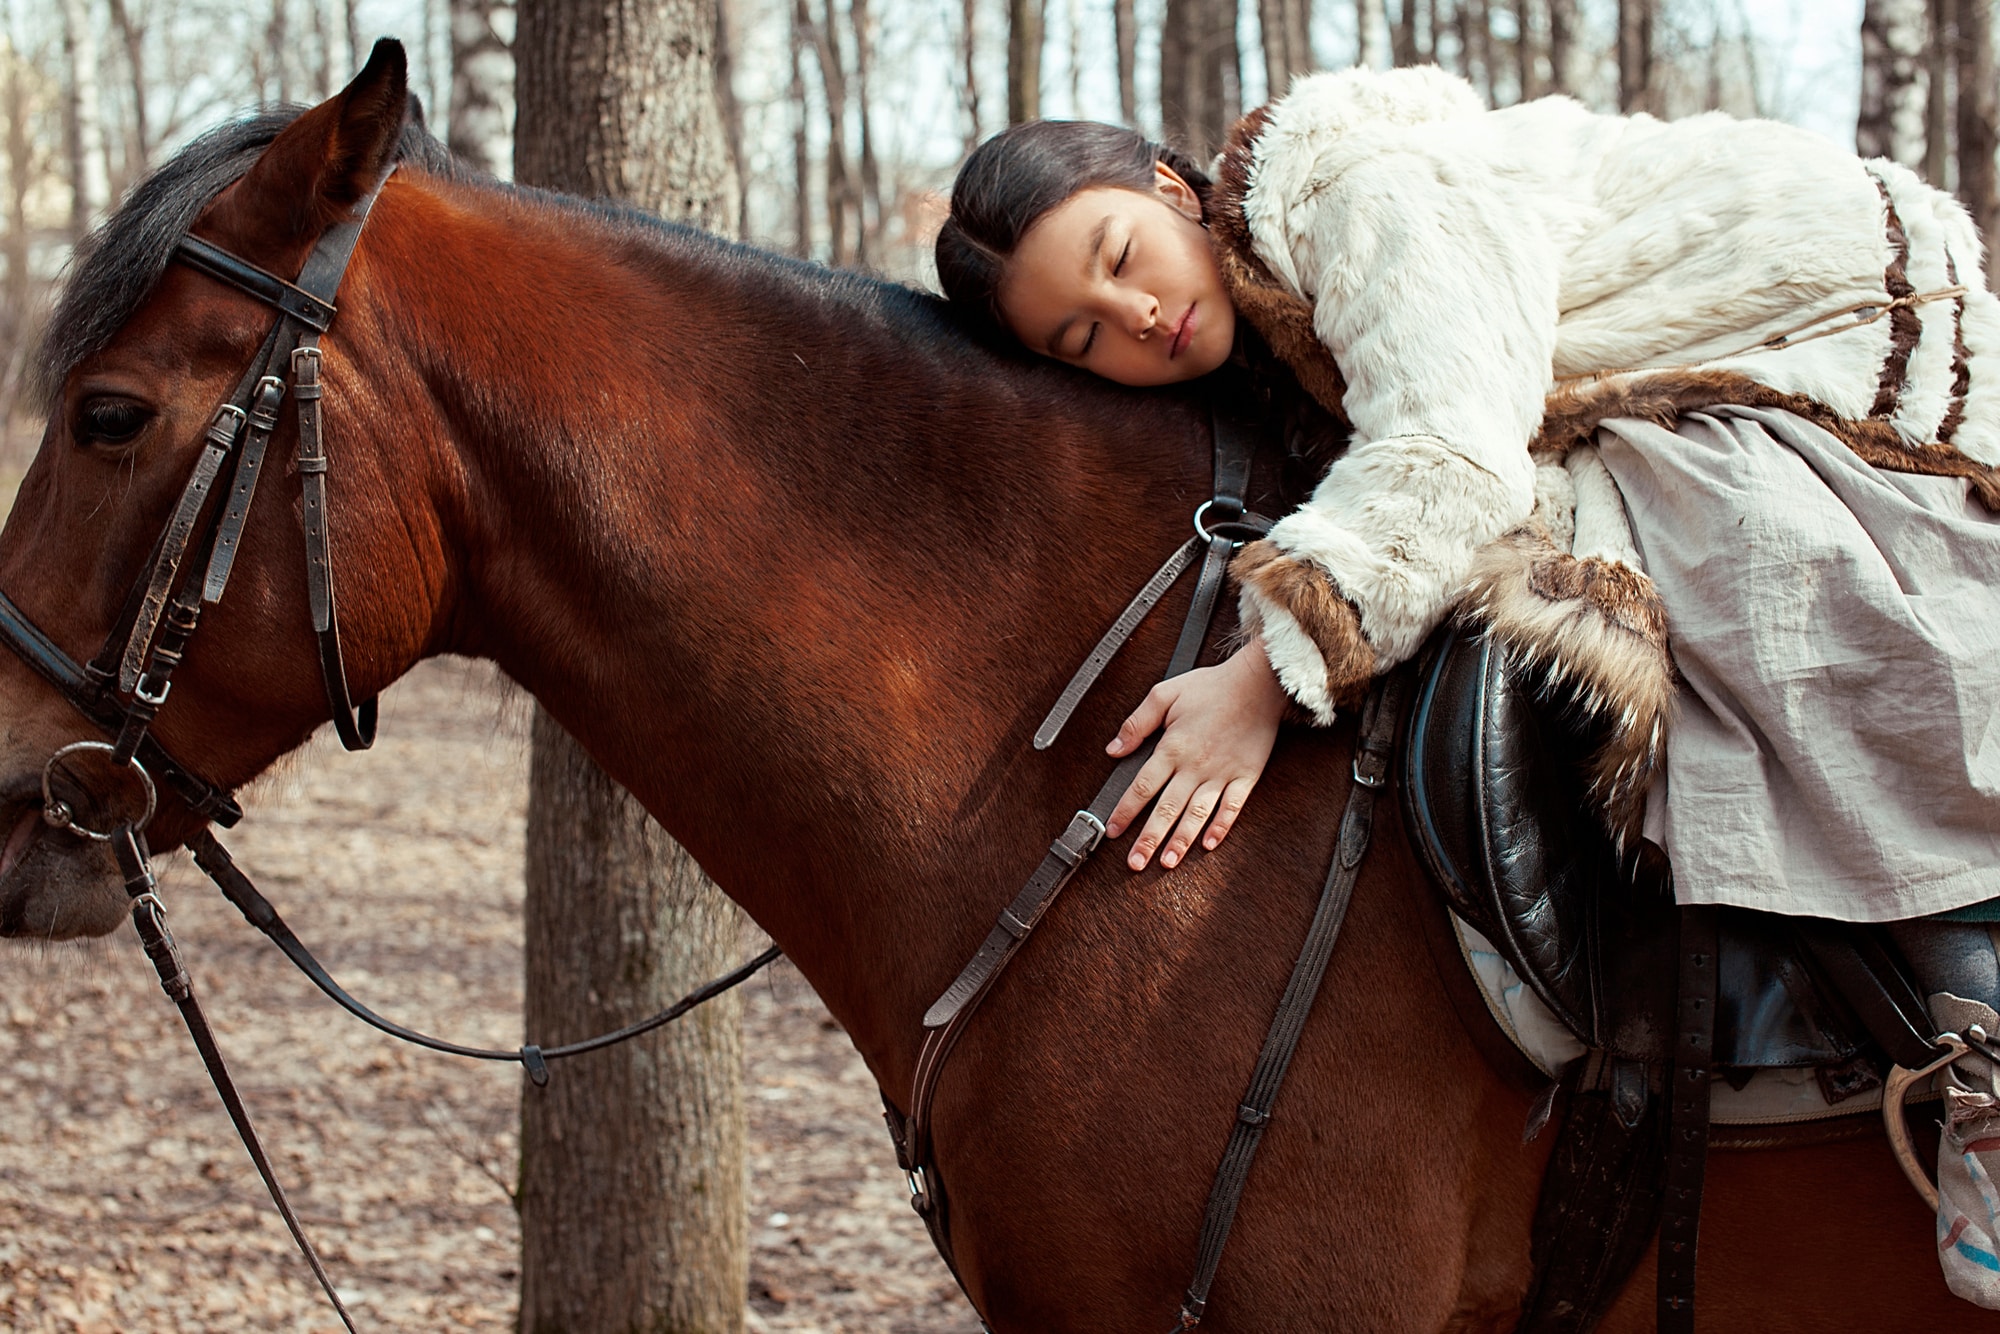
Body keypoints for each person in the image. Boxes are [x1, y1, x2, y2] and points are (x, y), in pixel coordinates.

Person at [938, 62, 2000, 1303]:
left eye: (1119, 253)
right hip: (1671, 362)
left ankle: (1974, 1050)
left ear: (1170, 186)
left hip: (1833, 332)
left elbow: (1450, 449)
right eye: (1083, 336)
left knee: (1740, 563)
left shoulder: (1353, 187)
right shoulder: (1262, 295)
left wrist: (1266, 677)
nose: (1135, 316)